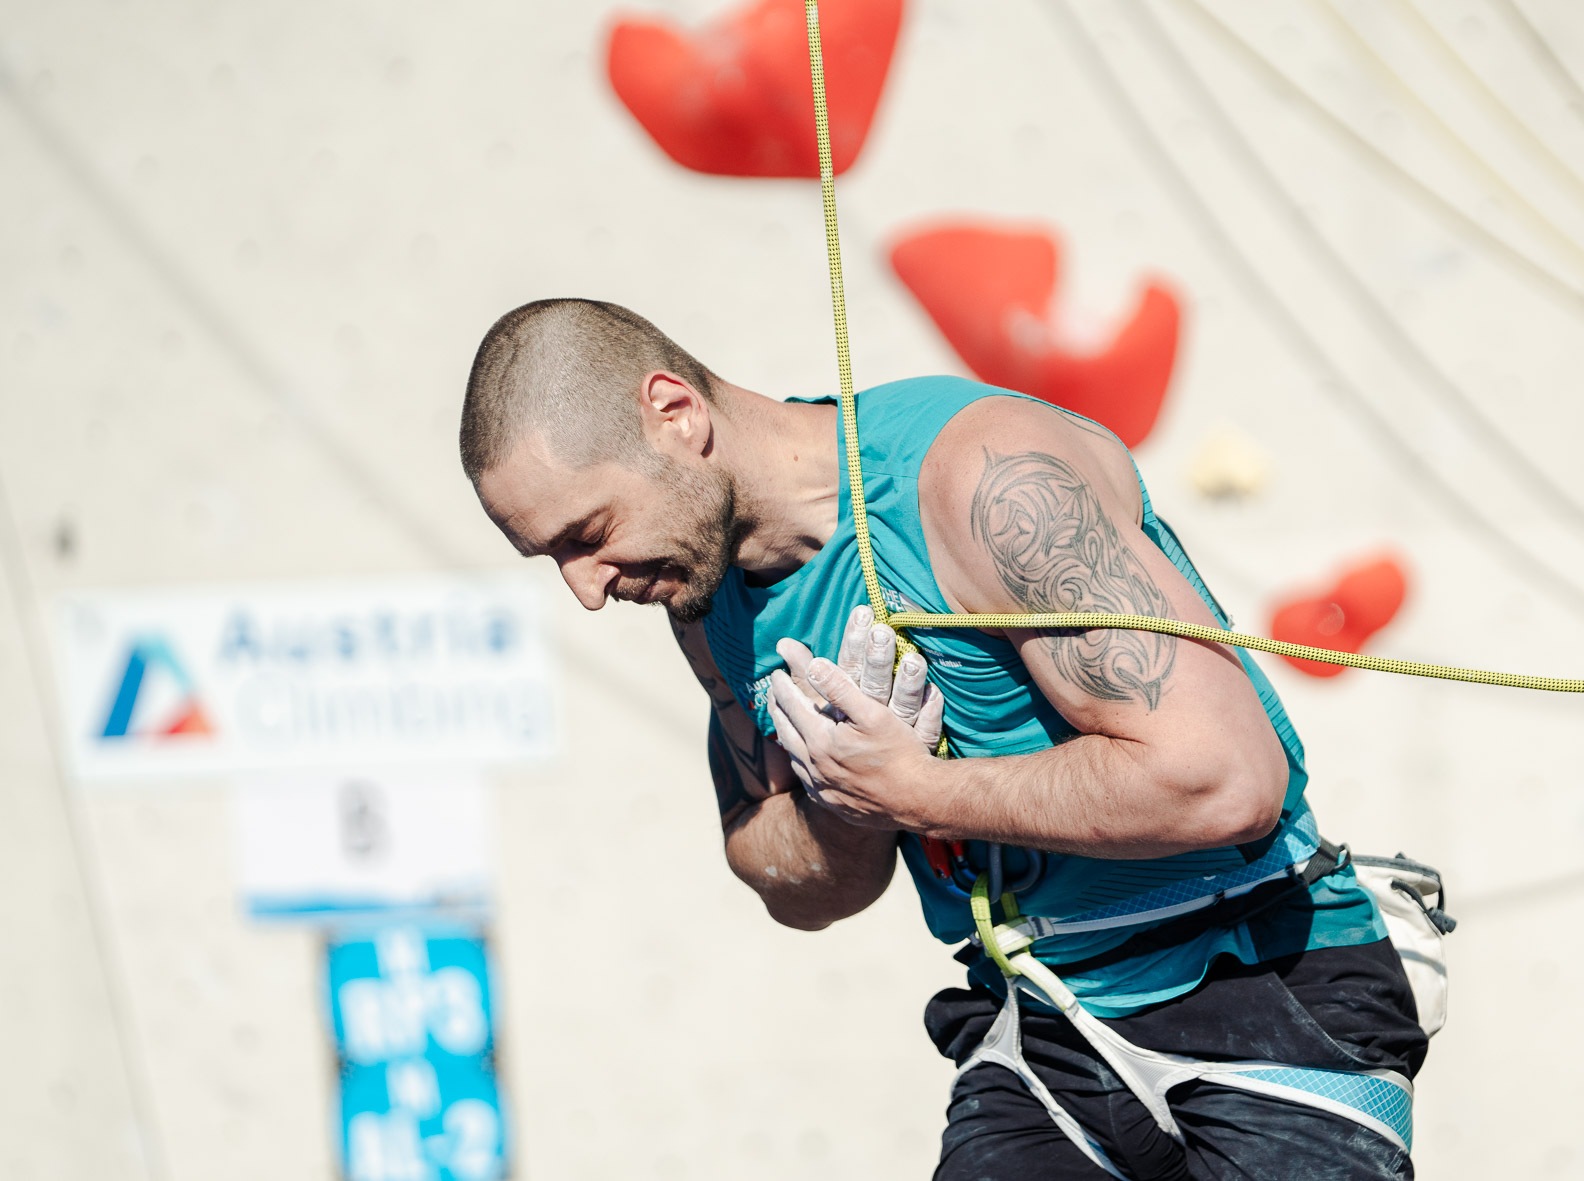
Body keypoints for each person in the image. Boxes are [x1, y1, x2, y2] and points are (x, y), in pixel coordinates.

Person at [461, 298, 1429, 1179]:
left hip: (1256, 982)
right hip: (1043, 1026)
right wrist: (844, 808)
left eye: (586, 533)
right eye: (552, 558)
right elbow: (787, 873)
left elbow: (1222, 778)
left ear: (675, 413)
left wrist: (913, 794)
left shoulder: (978, 481)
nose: (586, 588)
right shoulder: (704, 588)